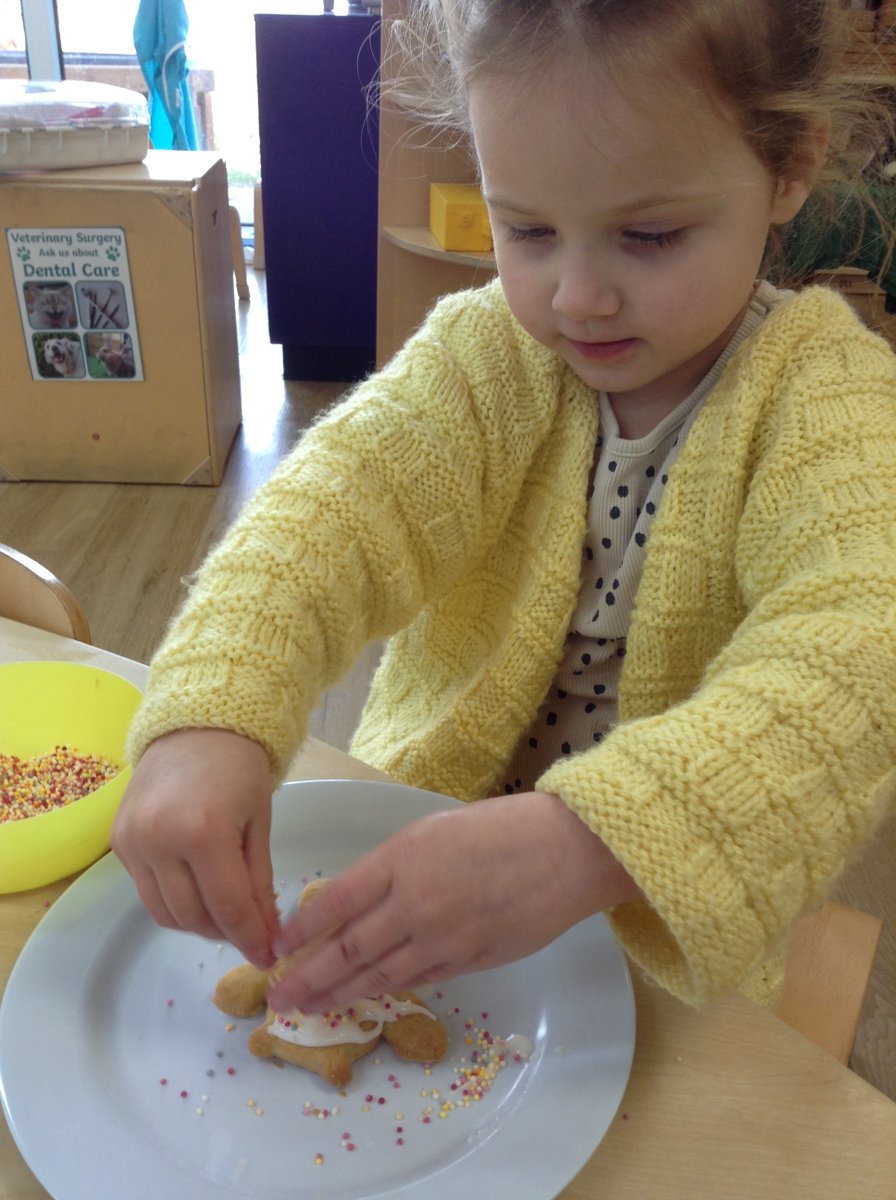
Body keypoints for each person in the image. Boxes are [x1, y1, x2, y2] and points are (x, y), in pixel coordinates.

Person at [111, 0, 896, 1018]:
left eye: (647, 235)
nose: (574, 297)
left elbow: (859, 636)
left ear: (788, 166)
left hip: (656, 921)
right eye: (523, 229)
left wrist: (596, 842)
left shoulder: (825, 390)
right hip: (408, 855)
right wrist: (211, 714)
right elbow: (326, 513)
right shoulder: (487, 356)